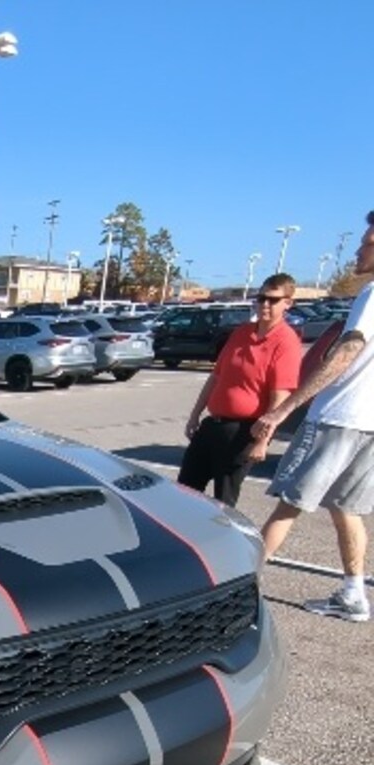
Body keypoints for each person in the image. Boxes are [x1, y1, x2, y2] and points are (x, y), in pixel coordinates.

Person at [252, 212, 374, 623]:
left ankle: (237, 593)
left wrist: (284, 409)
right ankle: (354, 595)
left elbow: (348, 349)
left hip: (339, 418)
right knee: (346, 508)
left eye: (366, 242)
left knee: (288, 504)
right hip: (369, 426)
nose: (358, 249)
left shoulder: (372, 294)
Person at [177, 274, 302, 507]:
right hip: (212, 424)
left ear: (288, 303)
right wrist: (195, 415)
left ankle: (219, 542)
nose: (265, 304)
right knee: (185, 491)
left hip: (243, 432)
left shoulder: (286, 342)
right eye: (261, 298)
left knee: (223, 501)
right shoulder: (241, 333)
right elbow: (216, 377)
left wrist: (262, 441)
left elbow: (280, 397)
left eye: (273, 300)